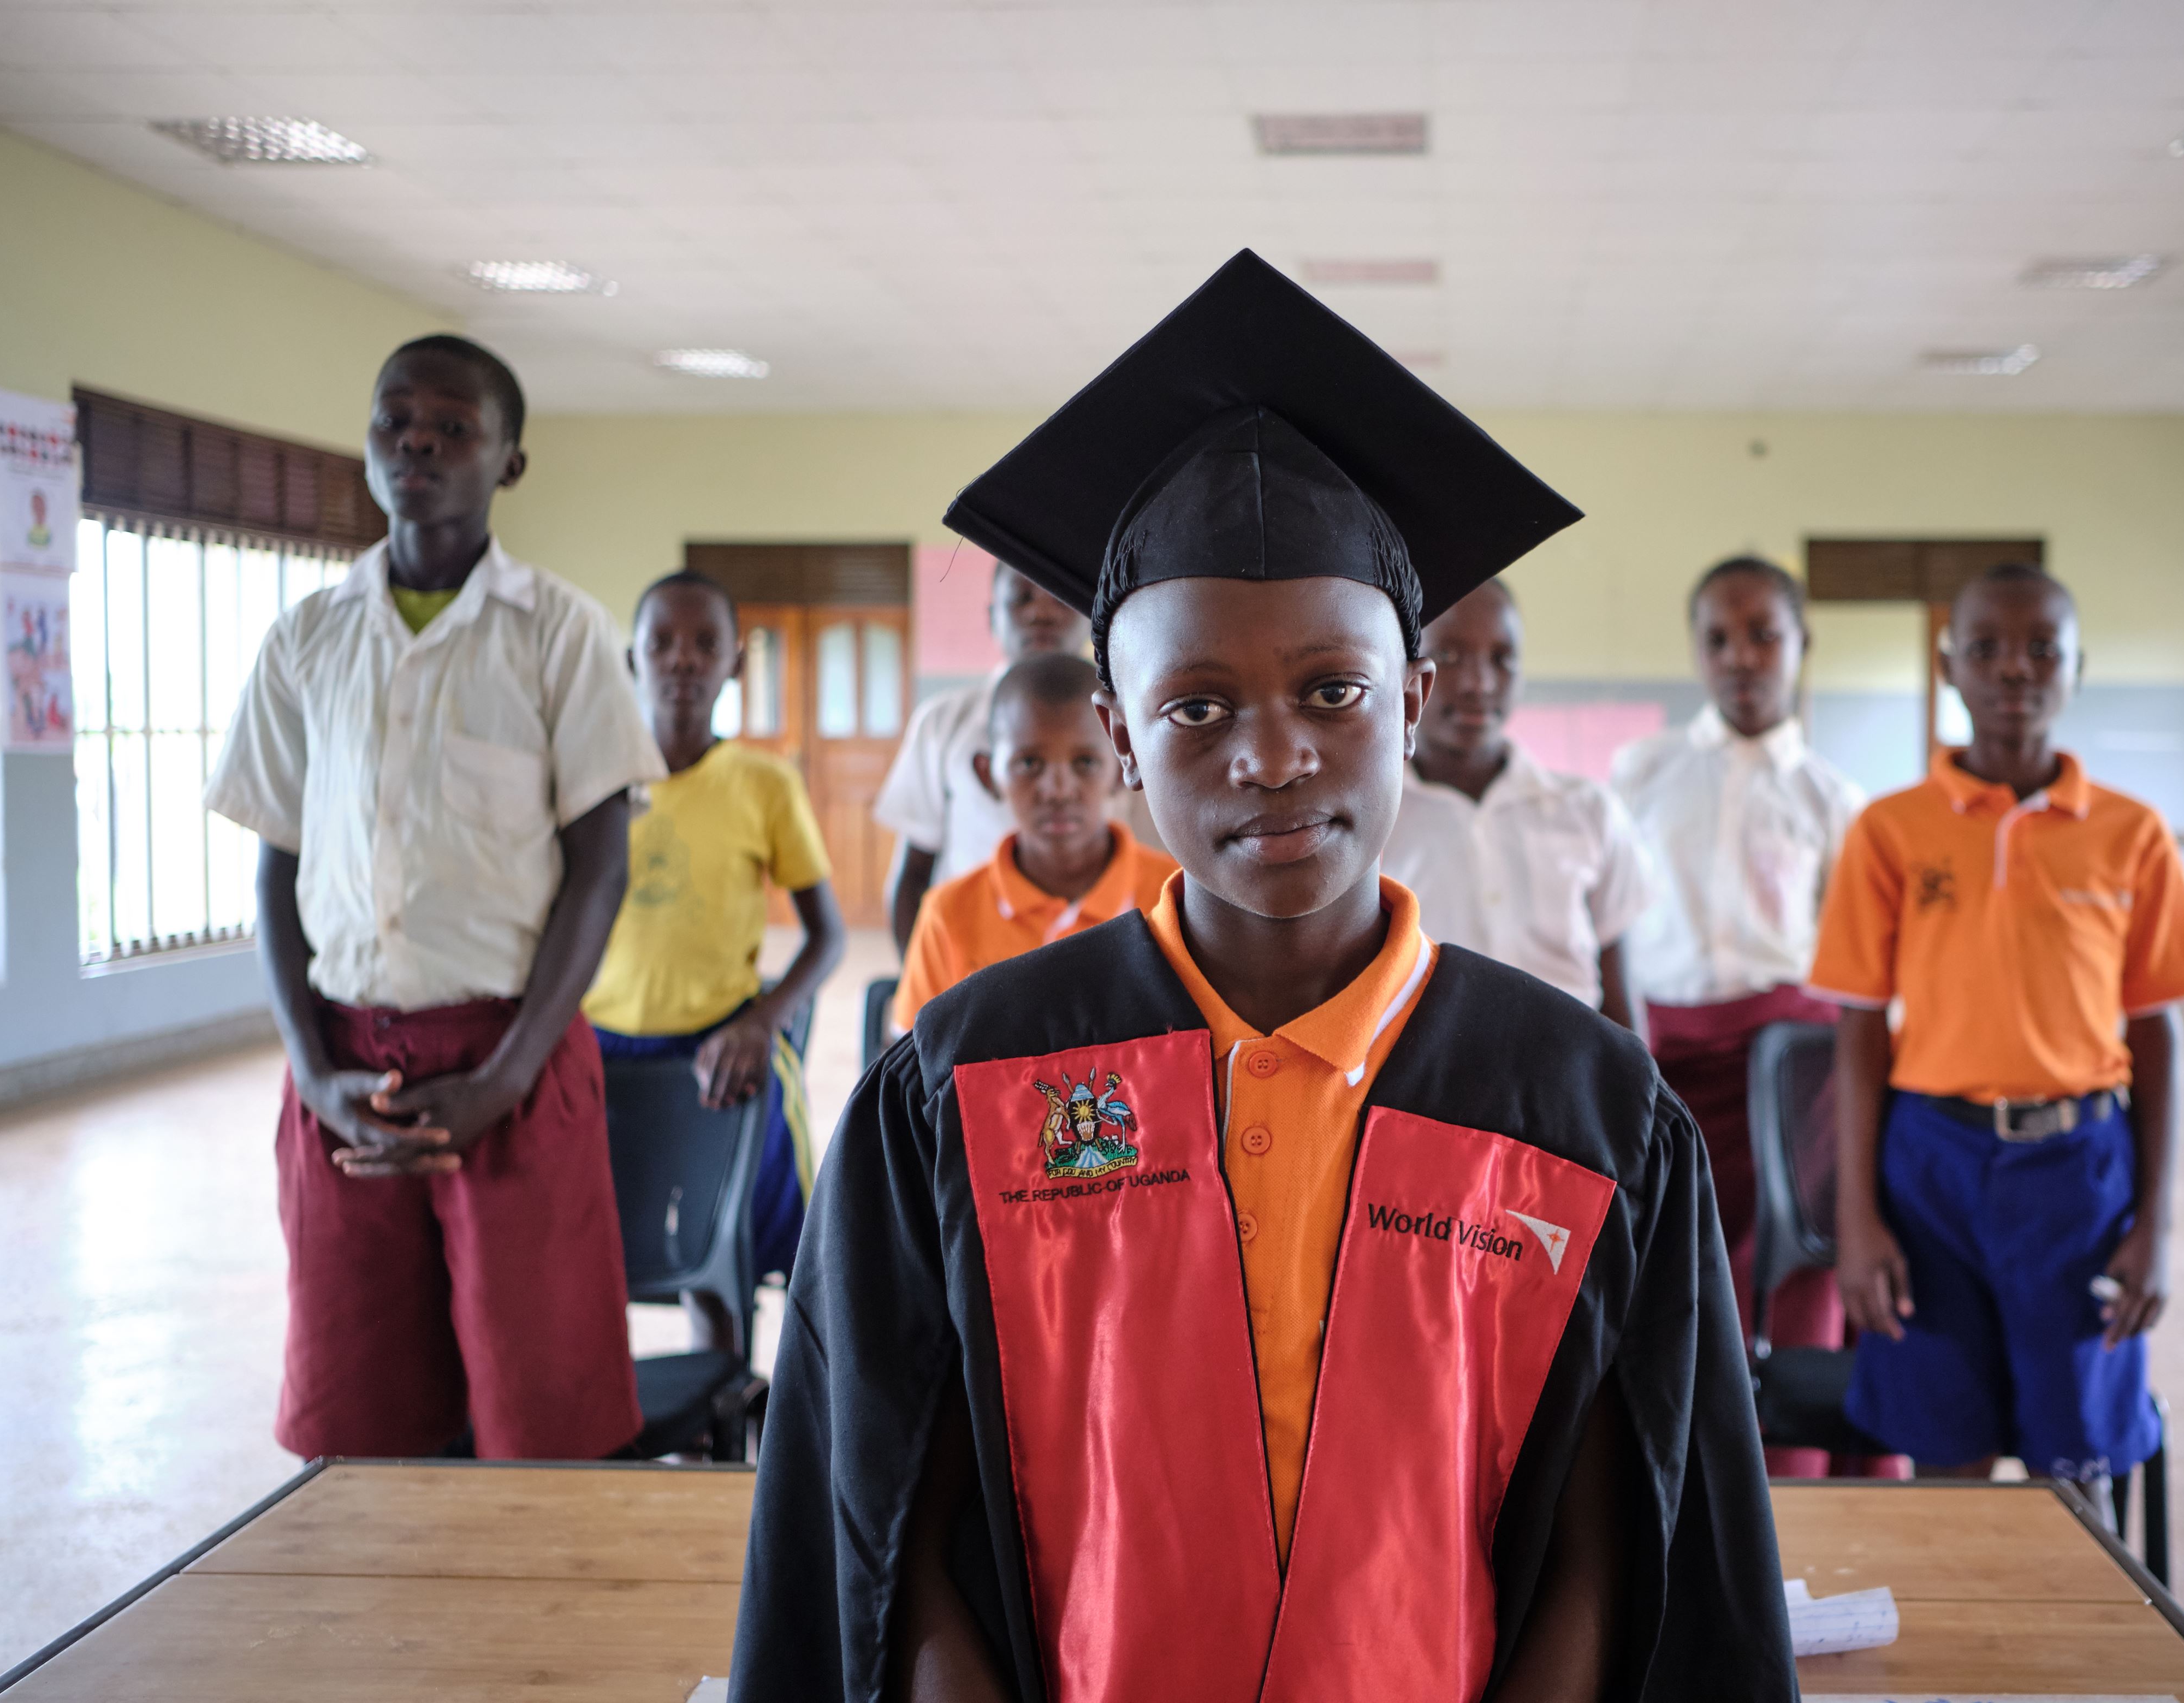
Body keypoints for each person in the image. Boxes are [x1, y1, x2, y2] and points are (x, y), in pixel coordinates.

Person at [729, 251, 1790, 1703]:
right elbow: (883, 1521)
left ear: (1412, 695)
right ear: (1115, 733)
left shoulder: (1575, 1108)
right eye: (1195, 704)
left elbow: (1620, 1549)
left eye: (1331, 689)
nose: (1273, 752)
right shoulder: (965, 1084)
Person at [204, 334, 666, 1460]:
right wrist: (315, 1070)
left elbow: (598, 866)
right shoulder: (307, 638)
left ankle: (531, 1631)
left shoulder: (557, 634)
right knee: (358, 1411)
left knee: (539, 1410)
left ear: (508, 462)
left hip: (511, 1056)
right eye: (394, 419)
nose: (417, 440)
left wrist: (503, 1078)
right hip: (347, 1070)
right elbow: (277, 863)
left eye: (453, 426)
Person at [1808, 563, 2184, 1504]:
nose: (2014, 670)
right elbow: (1859, 1025)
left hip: (2078, 1171)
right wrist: (1857, 1217)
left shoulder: (2130, 834)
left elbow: (2154, 1031)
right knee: (1942, 1447)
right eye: (1987, 648)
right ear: (1949, 663)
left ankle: (2070, 1645)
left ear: (2077, 667)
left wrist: (2154, 1221)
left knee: (2072, 1462)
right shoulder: (1889, 830)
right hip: (1928, 1169)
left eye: (2043, 648)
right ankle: (1950, 1648)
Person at [1612, 555, 1879, 1477]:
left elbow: (1853, 961)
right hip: (1668, 1056)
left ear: (1802, 645)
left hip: (1791, 1065)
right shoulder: (1640, 771)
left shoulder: (1833, 799)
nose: (1741, 658)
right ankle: (1688, 1468)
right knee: (1674, 1263)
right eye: (1718, 638)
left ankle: (1786, 1478)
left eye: (1764, 634)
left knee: (1790, 1258)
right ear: (1694, 651)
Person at [581, 570, 848, 1337]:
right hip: (596, 1051)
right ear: (632, 660)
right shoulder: (593, 780)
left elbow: (826, 933)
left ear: (736, 660)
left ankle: (728, 1401)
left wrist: (761, 1022)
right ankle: (613, 1423)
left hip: (719, 1050)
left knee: (728, 1250)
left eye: (706, 643)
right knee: (594, 1249)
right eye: (660, 642)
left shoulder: (762, 782)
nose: (683, 659)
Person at [1381, 578, 1647, 1025]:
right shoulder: (1373, 820)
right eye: (1448, 656)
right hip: (1426, 1078)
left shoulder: (1587, 811)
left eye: (1502, 659)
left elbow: (1621, 1001)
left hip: (1571, 1072)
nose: (1478, 683)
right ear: (1409, 670)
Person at [889, 651, 1177, 1031]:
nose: (1058, 791)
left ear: (1123, 764)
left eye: (1085, 762)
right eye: (1029, 764)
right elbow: (914, 1068)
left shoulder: (1177, 898)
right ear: (988, 774)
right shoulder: (949, 915)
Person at [877, 561, 1090, 951]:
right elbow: (913, 873)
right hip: (972, 961)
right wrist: (923, 989)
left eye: (1059, 597)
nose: (1041, 612)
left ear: (1091, 612)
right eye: (1021, 598)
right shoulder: (943, 723)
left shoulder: (1129, 723)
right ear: (994, 617)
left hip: (1101, 961)